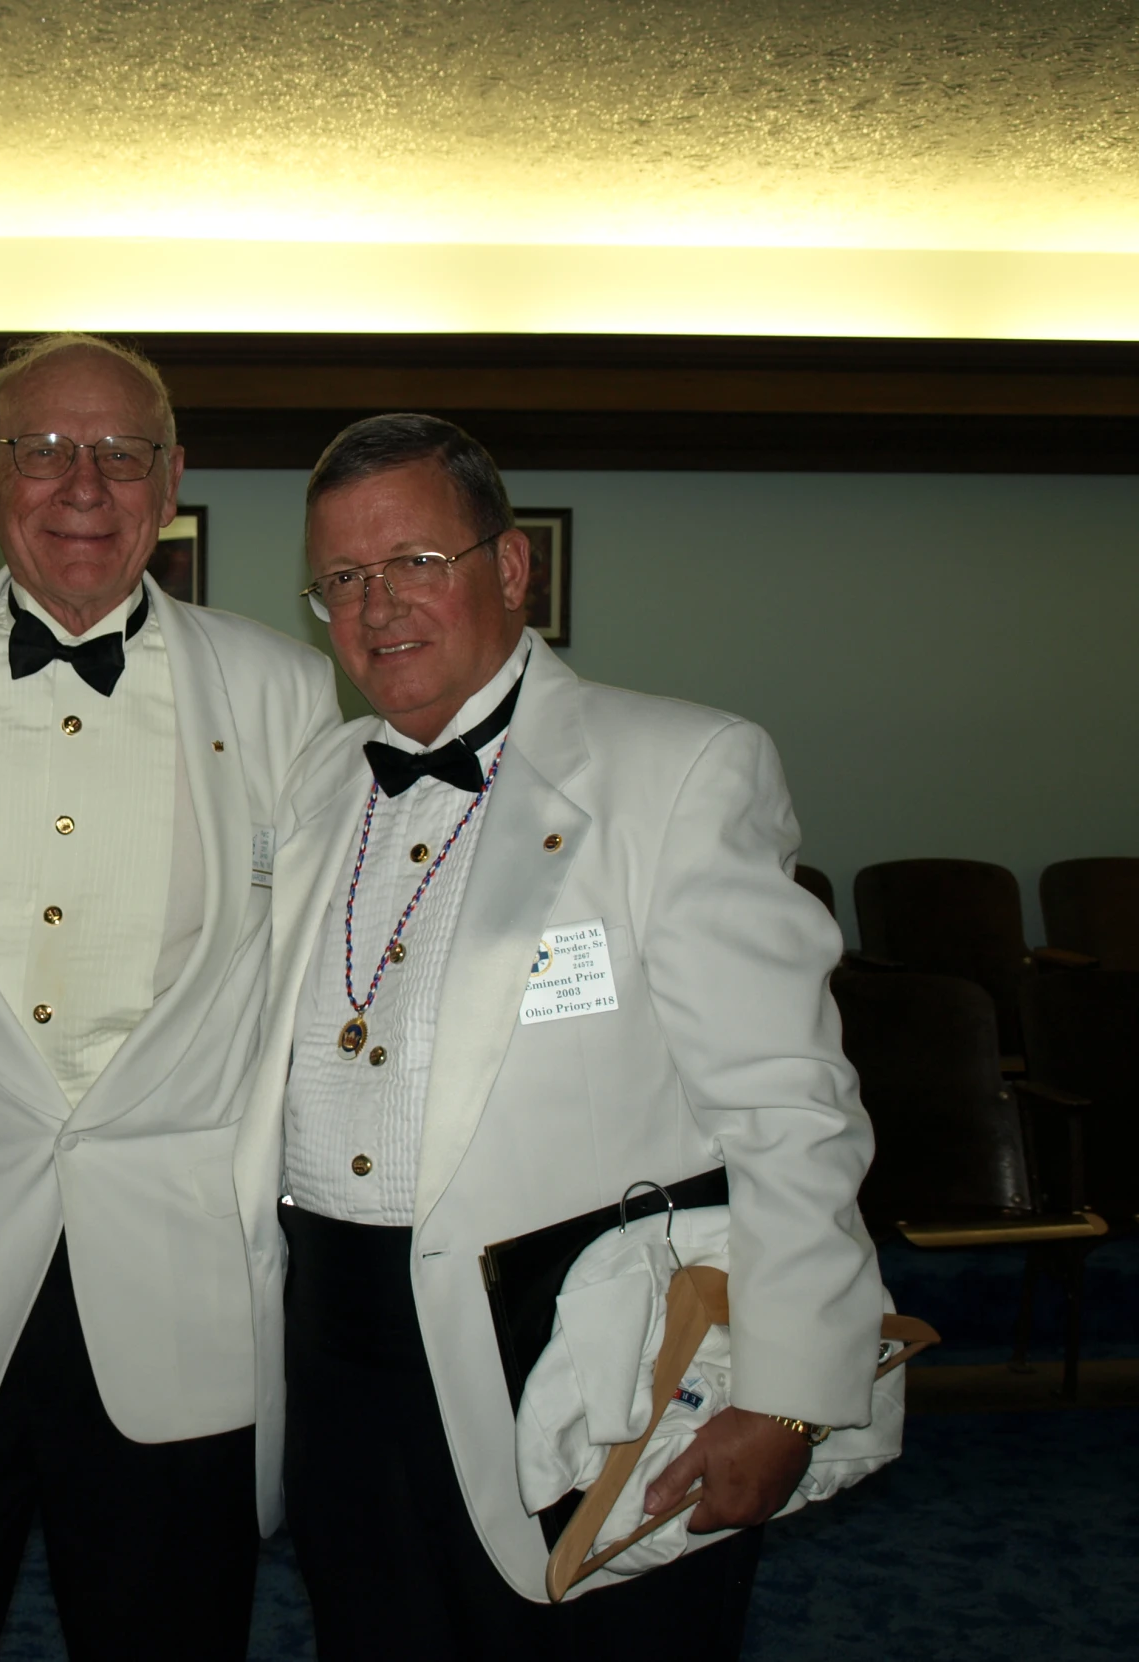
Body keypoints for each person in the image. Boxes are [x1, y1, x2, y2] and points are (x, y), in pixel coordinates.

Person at [234, 413, 882, 1660]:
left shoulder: (679, 766)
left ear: (510, 567)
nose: (379, 607)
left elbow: (790, 1108)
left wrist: (787, 1399)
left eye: (416, 561)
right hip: (339, 1370)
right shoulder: (317, 785)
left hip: (586, 1367)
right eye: (343, 580)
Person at [0, 334, 340, 1660]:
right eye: (45, 449)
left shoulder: (282, 687)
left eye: (121, 454)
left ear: (172, 484)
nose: (83, 483)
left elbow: (310, 979)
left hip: (177, 1284)